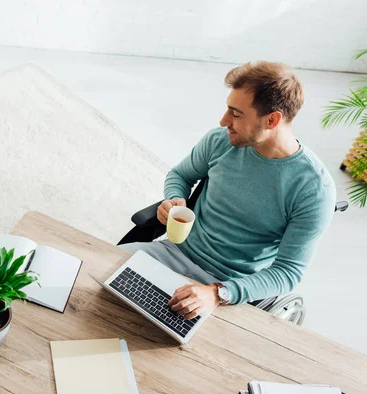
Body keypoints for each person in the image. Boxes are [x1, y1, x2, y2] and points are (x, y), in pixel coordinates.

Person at [119, 61, 336, 320]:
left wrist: (217, 293)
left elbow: (288, 272)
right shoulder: (220, 141)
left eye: (236, 113)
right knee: (95, 277)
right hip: (174, 253)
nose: (224, 121)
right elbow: (181, 175)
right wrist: (175, 198)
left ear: (272, 119)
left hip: (230, 289)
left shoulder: (314, 190)